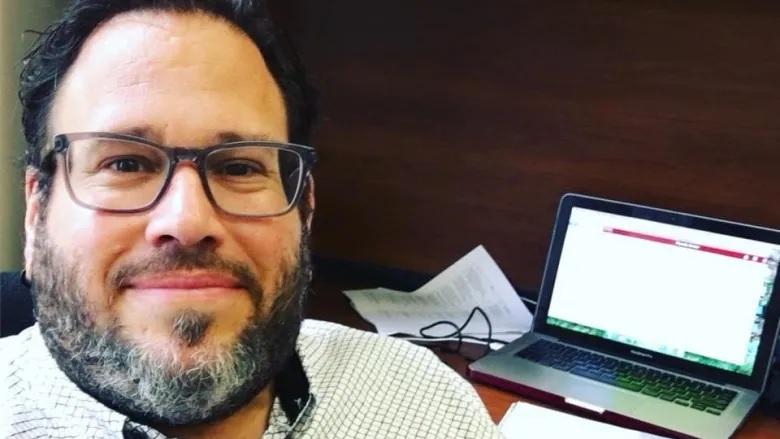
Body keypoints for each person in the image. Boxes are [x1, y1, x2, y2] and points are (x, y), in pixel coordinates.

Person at [0, 1, 502, 438]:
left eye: (239, 167)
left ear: (305, 209)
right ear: (36, 213)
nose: (188, 220)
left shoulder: (431, 401)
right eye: (126, 164)